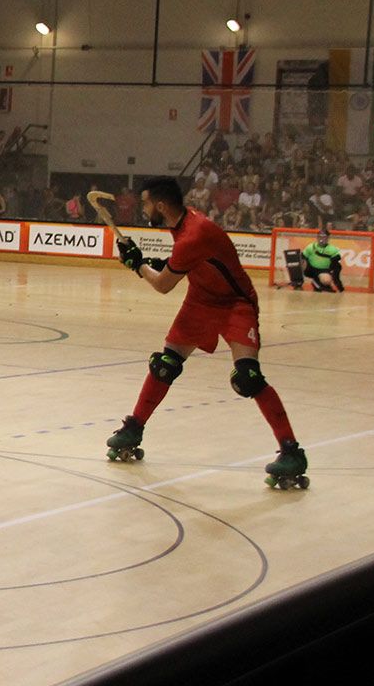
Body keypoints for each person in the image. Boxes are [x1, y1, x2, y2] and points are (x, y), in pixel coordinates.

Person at [110, 176, 308, 488]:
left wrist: (137, 265)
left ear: (160, 205)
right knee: (165, 365)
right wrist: (152, 261)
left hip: (235, 304)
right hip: (201, 300)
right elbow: (187, 263)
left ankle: (291, 451)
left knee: (248, 378)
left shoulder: (193, 235)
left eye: (146, 203)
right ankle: (134, 426)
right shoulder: (184, 224)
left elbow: (163, 284)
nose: (144, 208)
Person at [300, 227, 345, 292]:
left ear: (328, 238)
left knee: (326, 281)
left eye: (324, 237)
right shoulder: (310, 247)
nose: (321, 239)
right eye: (320, 237)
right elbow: (302, 257)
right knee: (299, 263)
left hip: (323, 270)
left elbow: (335, 264)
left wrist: (334, 277)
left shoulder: (332, 249)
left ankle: (316, 282)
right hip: (310, 269)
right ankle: (298, 283)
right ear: (317, 237)